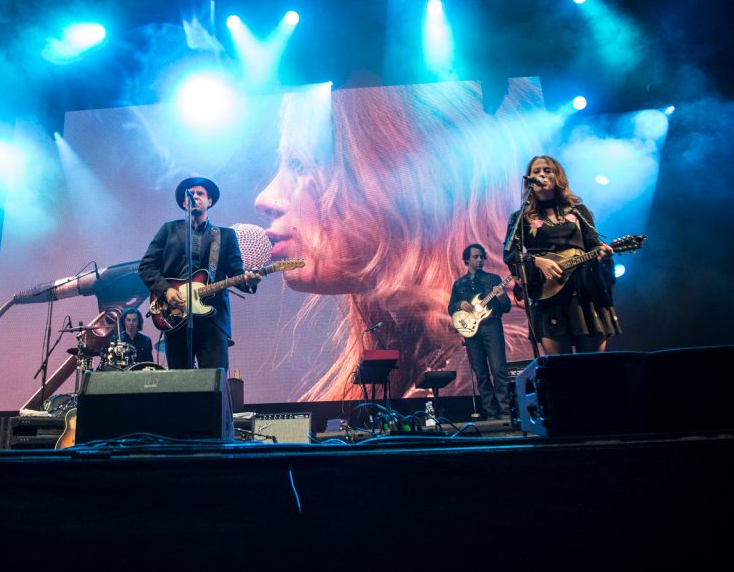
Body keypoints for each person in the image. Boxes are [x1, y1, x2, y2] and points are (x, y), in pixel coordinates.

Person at [254, 80, 543, 401]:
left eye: (298, 164)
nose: (265, 198)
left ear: (406, 178)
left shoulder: (494, 362)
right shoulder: (452, 357)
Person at [139, 177, 259, 370]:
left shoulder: (225, 236)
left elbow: (237, 274)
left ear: (209, 201)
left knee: (213, 385)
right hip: (175, 316)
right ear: (184, 202)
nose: (195, 196)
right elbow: (147, 266)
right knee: (179, 385)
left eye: (200, 193)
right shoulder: (168, 230)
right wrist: (166, 291)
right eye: (191, 194)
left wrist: (250, 281)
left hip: (212, 320)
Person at [503, 155, 619, 354]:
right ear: (529, 179)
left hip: (584, 290)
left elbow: (593, 246)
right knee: (562, 371)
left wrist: (602, 255)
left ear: (558, 176)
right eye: (536, 171)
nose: (541, 175)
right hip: (550, 295)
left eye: (547, 170)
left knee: (594, 368)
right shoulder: (521, 216)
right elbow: (510, 255)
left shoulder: (579, 210)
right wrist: (538, 261)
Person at [448, 244, 511, 419]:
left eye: (482, 257)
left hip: (492, 326)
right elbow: (450, 309)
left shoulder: (494, 279)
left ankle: (505, 413)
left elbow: (506, 307)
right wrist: (459, 305)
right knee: (481, 373)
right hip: (471, 332)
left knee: (499, 370)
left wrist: (501, 296)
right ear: (467, 259)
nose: (480, 260)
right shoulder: (459, 284)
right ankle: (491, 414)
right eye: (476, 257)